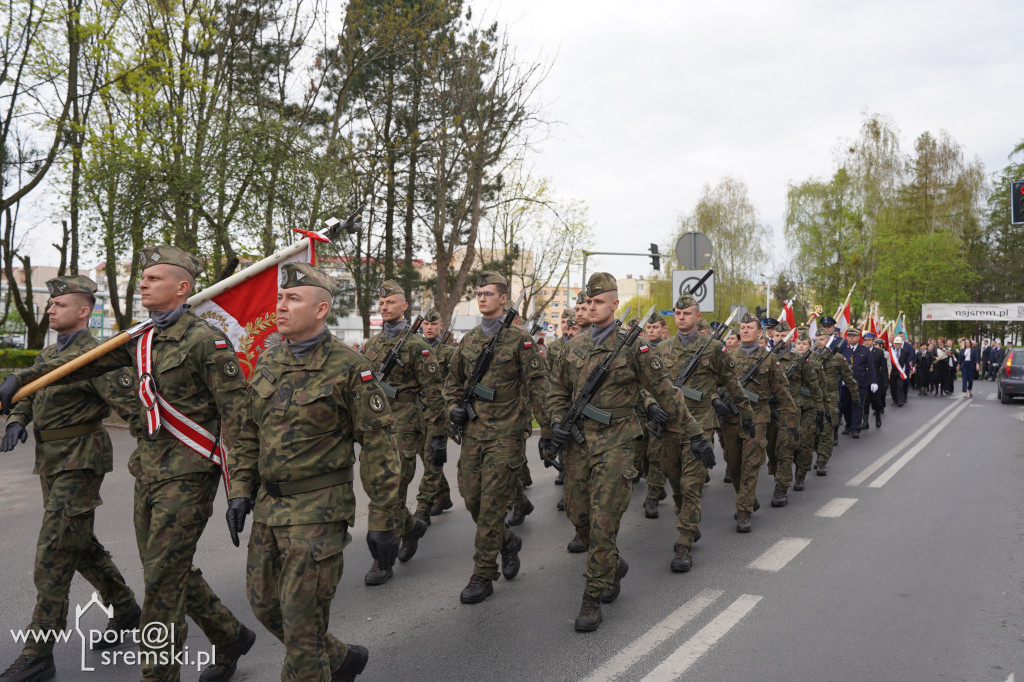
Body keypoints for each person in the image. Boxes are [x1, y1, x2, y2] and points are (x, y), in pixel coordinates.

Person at [0, 246, 255, 682]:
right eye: (143, 277)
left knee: (160, 579)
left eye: (153, 278)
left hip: (191, 471)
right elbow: (82, 363)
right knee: (165, 569)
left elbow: (238, 416)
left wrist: (241, 487)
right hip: (149, 469)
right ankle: (228, 635)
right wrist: (20, 380)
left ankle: (158, 675)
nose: (142, 283)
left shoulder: (205, 341)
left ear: (182, 288)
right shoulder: (142, 338)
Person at [225, 263, 401, 682]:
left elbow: (379, 446)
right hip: (269, 509)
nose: (280, 306)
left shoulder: (348, 368)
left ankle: (317, 667)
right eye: (280, 298)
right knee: (265, 604)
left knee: (302, 630)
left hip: (318, 512)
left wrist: (383, 520)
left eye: (292, 299)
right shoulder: (268, 360)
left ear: (321, 310)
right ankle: (339, 659)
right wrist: (240, 489)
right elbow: (248, 432)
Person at [549, 273, 709, 631]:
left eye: (598, 302)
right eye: (587, 302)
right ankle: (612, 565)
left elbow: (666, 392)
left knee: (604, 523)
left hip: (618, 443)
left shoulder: (634, 348)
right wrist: (558, 421)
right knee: (579, 517)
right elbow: (556, 392)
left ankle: (592, 596)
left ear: (614, 305)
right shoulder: (573, 347)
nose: (591, 308)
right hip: (578, 444)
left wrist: (695, 433)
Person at [0, 277, 141, 682]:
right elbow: (28, 392)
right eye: (50, 304)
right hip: (50, 460)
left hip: (80, 459)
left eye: (59, 304)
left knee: (54, 551)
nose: (50, 309)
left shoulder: (97, 356)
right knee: (78, 546)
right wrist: (16, 420)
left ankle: (38, 653)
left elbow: (133, 410)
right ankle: (125, 606)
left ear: (84, 311)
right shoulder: (49, 353)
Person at [445, 271, 551, 605]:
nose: (482, 298)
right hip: (475, 432)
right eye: (478, 294)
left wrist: (547, 430)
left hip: (505, 434)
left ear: (504, 298)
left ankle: (483, 573)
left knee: (491, 505)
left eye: (488, 293)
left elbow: (539, 387)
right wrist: (453, 409)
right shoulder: (470, 340)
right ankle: (507, 541)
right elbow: (451, 382)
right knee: (471, 498)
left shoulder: (520, 340)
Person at [653, 292, 753, 572]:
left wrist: (745, 412)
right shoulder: (662, 350)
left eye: (687, 313)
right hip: (669, 426)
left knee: (691, 484)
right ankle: (687, 520)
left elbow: (732, 383)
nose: (682, 317)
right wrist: (650, 405)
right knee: (674, 482)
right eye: (678, 313)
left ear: (698, 317)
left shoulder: (713, 348)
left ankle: (684, 541)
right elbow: (645, 385)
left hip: (700, 425)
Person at [360, 280, 445, 585]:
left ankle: (383, 559)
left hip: (406, 424)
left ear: (404, 306)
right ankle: (410, 528)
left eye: (391, 302)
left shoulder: (416, 346)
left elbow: (434, 393)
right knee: (374, 487)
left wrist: (437, 435)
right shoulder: (371, 345)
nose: (385, 307)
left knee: (392, 491)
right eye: (381, 303)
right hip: (376, 426)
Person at [722, 313, 797, 532]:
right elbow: (714, 383)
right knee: (733, 464)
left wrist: (792, 420)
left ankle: (744, 510)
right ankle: (747, 498)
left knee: (751, 464)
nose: (745, 330)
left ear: (759, 332)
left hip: (757, 418)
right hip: (730, 418)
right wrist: (716, 399)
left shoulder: (769, 358)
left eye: (749, 327)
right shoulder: (727, 355)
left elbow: (782, 390)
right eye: (742, 327)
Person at [774, 325, 824, 505]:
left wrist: (820, 409)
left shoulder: (800, 361)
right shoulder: (767, 358)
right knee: (775, 450)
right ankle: (780, 477)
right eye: (776, 335)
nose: (779, 338)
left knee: (800, 444)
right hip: (772, 410)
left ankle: (789, 482)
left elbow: (815, 386)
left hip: (800, 409)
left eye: (783, 335)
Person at [417, 308, 455, 519]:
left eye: (434, 324)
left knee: (432, 457)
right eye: (426, 324)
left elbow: (454, 383)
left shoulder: (448, 352)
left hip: (438, 414)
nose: (429, 328)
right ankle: (443, 496)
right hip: (417, 412)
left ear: (441, 326)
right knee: (425, 456)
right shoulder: (415, 348)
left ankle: (424, 507)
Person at [813, 331, 857, 475]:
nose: (820, 342)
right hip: (812, 400)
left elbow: (849, 378)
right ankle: (817, 453)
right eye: (817, 339)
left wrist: (855, 398)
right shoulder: (810, 357)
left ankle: (822, 461)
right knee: (813, 432)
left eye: (823, 339)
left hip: (830, 400)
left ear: (829, 340)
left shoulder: (838, 358)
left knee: (827, 431)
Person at [839, 327, 876, 439]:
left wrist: (874, 381)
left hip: (860, 382)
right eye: (849, 336)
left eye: (853, 336)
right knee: (845, 406)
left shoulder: (864, 350)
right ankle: (849, 425)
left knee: (857, 405)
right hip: (845, 382)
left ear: (858, 337)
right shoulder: (842, 349)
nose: (851, 338)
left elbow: (871, 367)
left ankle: (855, 428)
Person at [861, 332, 888, 430]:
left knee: (876, 400)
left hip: (876, 378)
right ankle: (865, 422)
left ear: (873, 341)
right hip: (864, 378)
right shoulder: (861, 351)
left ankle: (878, 416)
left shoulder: (879, 352)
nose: (867, 342)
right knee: (865, 401)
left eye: (869, 340)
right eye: (865, 340)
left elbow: (884, 368)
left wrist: (885, 381)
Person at [889, 335, 912, 406]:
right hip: (892, 371)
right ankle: (895, 400)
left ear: (901, 344)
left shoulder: (905, 351)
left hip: (900, 371)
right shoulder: (890, 351)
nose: (897, 345)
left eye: (898, 343)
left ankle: (900, 401)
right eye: (896, 343)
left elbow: (906, 361)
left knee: (900, 386)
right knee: (893, 386)